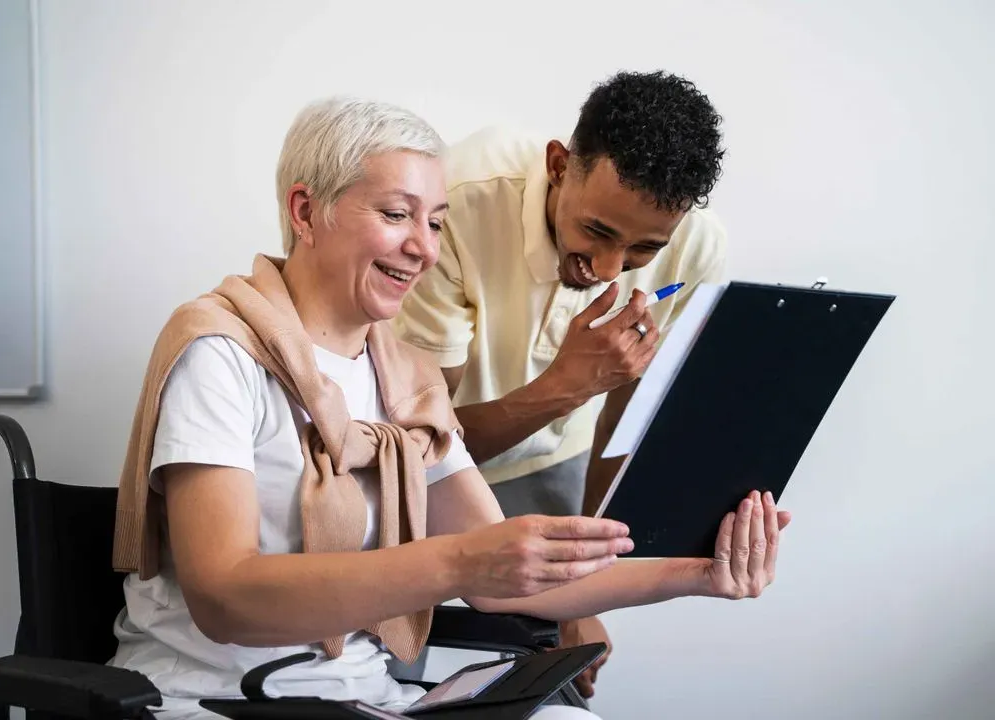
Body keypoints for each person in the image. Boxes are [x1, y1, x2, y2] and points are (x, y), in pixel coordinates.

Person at [107, 96, 789, 720]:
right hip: (206, 697)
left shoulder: (406, 380)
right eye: (397, 215)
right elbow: (224, 596)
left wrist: (700, 574)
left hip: (364, 697)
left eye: (435, 223)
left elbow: (510, 586)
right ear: (305, 211)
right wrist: (458, 562)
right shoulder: (218, 354)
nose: (426, 249)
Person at [393, 70, 731, 696]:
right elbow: (417, 447)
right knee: (391, 663)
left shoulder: (697, 251)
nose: (608, 270)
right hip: (432, 463)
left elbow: (627, 419)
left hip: (556, 463)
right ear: (557, 165)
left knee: (558, 672)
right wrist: (570, 384)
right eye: (597, 231)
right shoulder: (458, 201)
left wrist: (586, 582)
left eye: (641, 251)